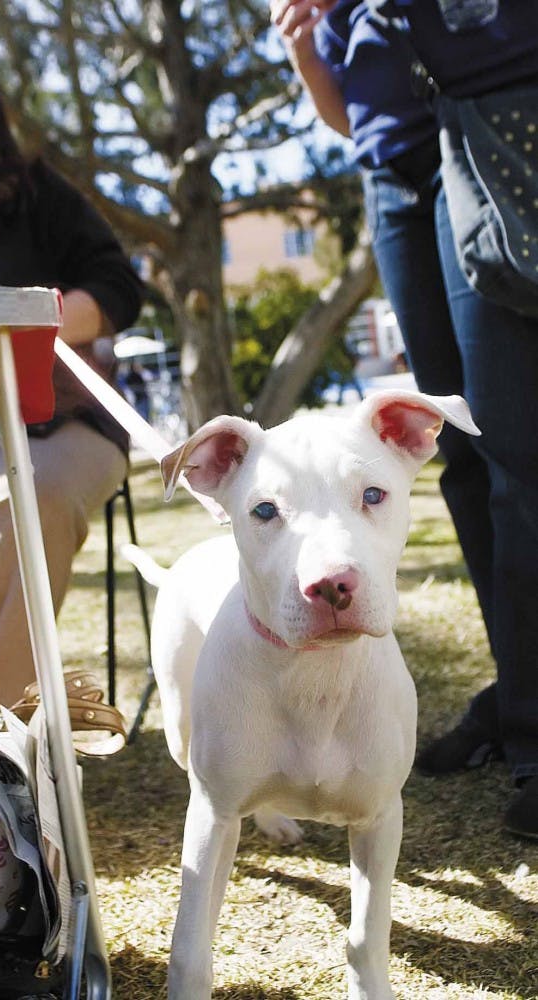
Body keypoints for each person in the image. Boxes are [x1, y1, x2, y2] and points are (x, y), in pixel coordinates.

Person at [271, 0, 538, 839]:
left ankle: (534, 731)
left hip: (486, 135)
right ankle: (520, 695)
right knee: (453, 451)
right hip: (393, 174)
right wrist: (309, 52)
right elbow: (351, 107)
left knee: (513, 456)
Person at [0, 52, 144, 734]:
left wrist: (42, 322)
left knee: (27, 498)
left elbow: (120, 285)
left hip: (40, 423)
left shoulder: (38, 193)